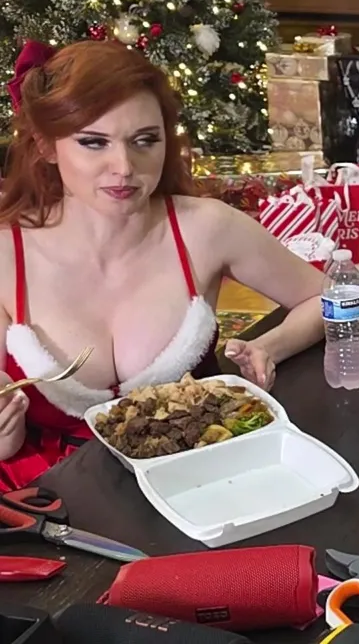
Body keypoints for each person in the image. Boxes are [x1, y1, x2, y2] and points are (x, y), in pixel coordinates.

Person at [0, 39, 324, 490]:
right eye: (93, 142)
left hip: (200, 482)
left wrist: (271, 345)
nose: (124, 167)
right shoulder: (6, 252)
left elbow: (331, 296)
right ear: (46, 145)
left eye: (144, 140)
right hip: (48, 498)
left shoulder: (206, 227)